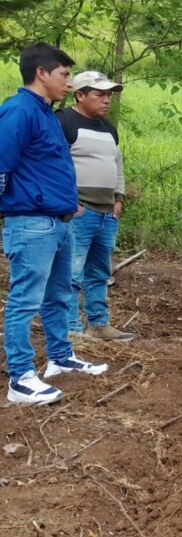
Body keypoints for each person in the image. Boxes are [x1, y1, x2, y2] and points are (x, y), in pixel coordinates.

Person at [0, 43, 108, 405]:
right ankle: (20, 378)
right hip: (31, 223)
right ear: (41, 73)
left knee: (60, 294)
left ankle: (60, 358)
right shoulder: (18, 111)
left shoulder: (47, 113)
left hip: (59, 222)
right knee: (25, 301)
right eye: (64, 74)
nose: (69, 82)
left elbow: (46, 165)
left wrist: (67, 202)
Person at [57, 70, 133, 341]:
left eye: (108, 95)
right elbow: (54, 166)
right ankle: (71, 328)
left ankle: (99, 323)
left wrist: (119, 198)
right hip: (78, 211)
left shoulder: (109, 128)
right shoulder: (64, 122)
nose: (106, 100)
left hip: (107, 212)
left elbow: (117, 164)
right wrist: (69, 202)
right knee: (71, 271)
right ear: (79, 95)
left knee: (99, 272)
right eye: (99, 94)